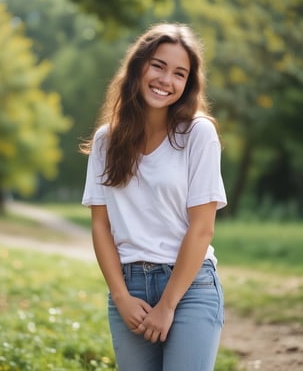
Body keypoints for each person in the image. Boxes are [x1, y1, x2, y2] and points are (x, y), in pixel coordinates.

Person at [81, 22, 227, 371]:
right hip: (129, 289)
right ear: (138, 66)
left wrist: (168, 305)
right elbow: (101, 226)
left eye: (180, 73)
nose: (166, 80)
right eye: (158, 65)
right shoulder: (106, 140)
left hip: (190, 286)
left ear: (188, 84)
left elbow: (202, 228)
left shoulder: (198, 134)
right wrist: (120, 296)